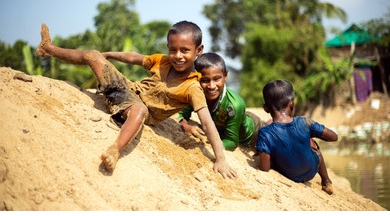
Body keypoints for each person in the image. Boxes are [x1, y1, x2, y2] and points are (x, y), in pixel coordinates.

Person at [36, 21, 237, 179]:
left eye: (185, 50)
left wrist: (220, 159)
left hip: (136, 110)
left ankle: (115, 150)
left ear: (198, 51)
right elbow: (135, 58)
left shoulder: (192, 87)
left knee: (140, 110)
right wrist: (108, 55)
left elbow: (207, 122)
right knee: (92, 55)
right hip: (125, 90)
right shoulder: (163, 61)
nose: (178, 56)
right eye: (173, 49)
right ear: (168, 47)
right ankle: (48, 48)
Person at [256, 79, 338, 194]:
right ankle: (326, 180)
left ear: (265, 108)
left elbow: (264, 168)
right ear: (291, 104)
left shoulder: (265, 133)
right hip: (310, 171)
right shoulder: (304, 122)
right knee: (312, 143)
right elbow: (334, 137)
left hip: (287, 173)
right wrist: (311, 133)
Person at [178, 52, 267, 151]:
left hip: (253, 133)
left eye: (216, 79)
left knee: (271, 131)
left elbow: (232, 141)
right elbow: (181, 114)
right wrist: (185, 126)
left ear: (225, 77)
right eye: (205, 80)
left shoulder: (235, 104)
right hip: (230, 124)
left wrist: (211, 142)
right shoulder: (195, 93)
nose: (211, 86)